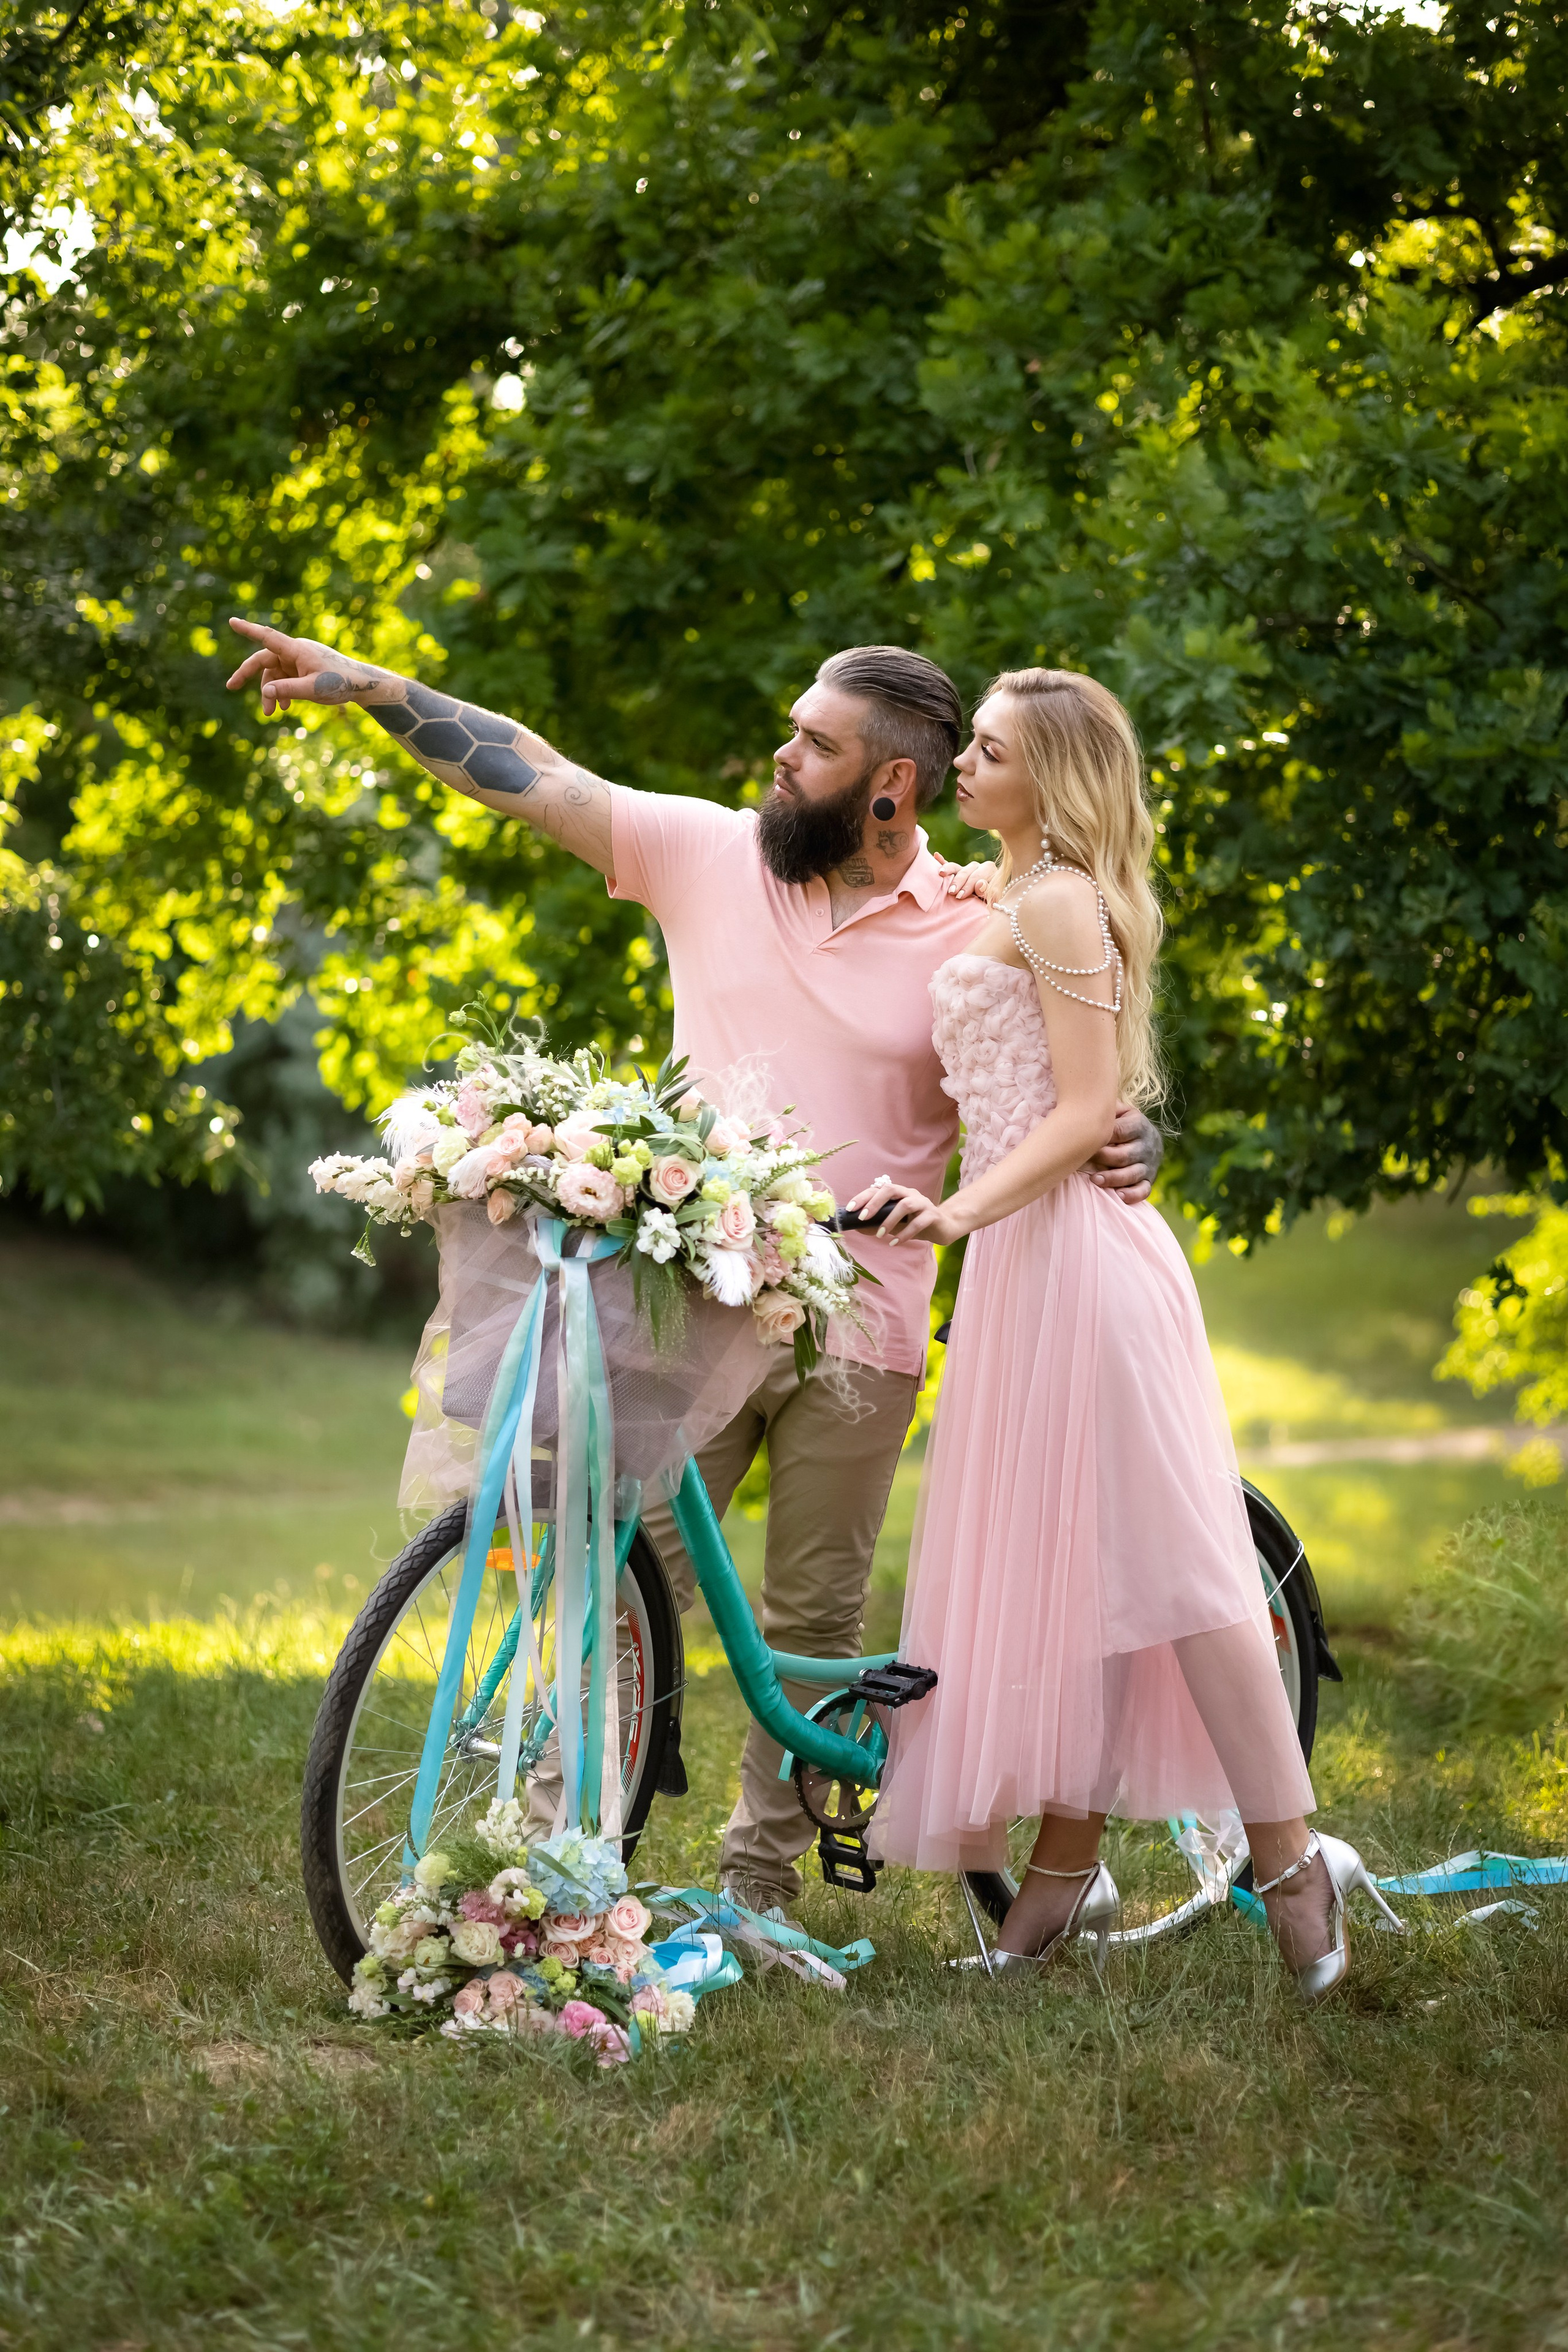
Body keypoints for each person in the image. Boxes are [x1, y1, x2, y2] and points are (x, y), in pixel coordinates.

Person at [224, 620, 1163, 1916]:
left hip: (867, 1322)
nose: (782, 756)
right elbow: (531, 772)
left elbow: (1069, 1052)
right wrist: (368, 686)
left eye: (815, 744)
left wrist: (1132, 1129)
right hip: (692, 1310)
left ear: (890, 785)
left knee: (811, 1626)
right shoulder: (712, 854)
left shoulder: (977, 915)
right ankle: (562, 1870)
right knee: (624, 1588)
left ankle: (757, 1890)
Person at [849, 667, 1403, 1998]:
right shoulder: (1009, 892)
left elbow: (1088, 1106)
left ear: (1050, 779)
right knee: (1070, 1578)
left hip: (1080, 1264)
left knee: (1178, 1573)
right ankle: (1058, 1881)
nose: (961, 767)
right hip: (1025, 1269)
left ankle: (1291, 1862)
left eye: (987, 753)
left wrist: (955, 1212)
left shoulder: (1057, 903)